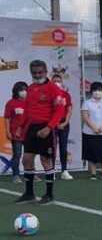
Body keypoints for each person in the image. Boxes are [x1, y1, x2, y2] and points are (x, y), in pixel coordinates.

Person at [13, 59, 66, 205]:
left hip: (47, 127)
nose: (37, 75)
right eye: (34, 73)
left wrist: (49, 127)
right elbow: (27, 109)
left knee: (46, 160)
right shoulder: (30, 88)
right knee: (27, 160)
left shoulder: (53, 89)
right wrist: (20, 126)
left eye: (40, 72)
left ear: (46, 71)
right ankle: (29, 194)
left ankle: (49, 195)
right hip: (31, 127)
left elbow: (60, 110)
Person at [81, 82, 102, 180]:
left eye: (99, 90)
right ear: (91, 91)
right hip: (90, 132)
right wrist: (93, 127)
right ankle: (93, 173)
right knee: (91, 152)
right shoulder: (87, 103)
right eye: (95, 90)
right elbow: (85, 117)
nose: (97, 92)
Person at [4, 81, 27, 185]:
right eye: (21, 89)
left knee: (29, 155)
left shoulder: (29, 102)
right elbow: (7, 118)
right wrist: (8, 131)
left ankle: (30, 174)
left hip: (28, 133)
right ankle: (16, 175)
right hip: (16, 134)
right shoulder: (11, 103)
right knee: (17, 154)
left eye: (25, 89)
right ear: (16, 91)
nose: (24, 91)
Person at [51, 73, 73, 180]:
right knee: (52, 148)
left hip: (64, 124)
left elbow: (69, 110)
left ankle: (64, 170)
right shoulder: (49, 95)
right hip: (52, 124)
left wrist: (65, 123)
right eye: (54, 81)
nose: (57, 83)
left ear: (62, 82)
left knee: (63, 148)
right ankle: (51, 171)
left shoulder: (66, 95)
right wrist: (54, 123)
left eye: (58, 81)